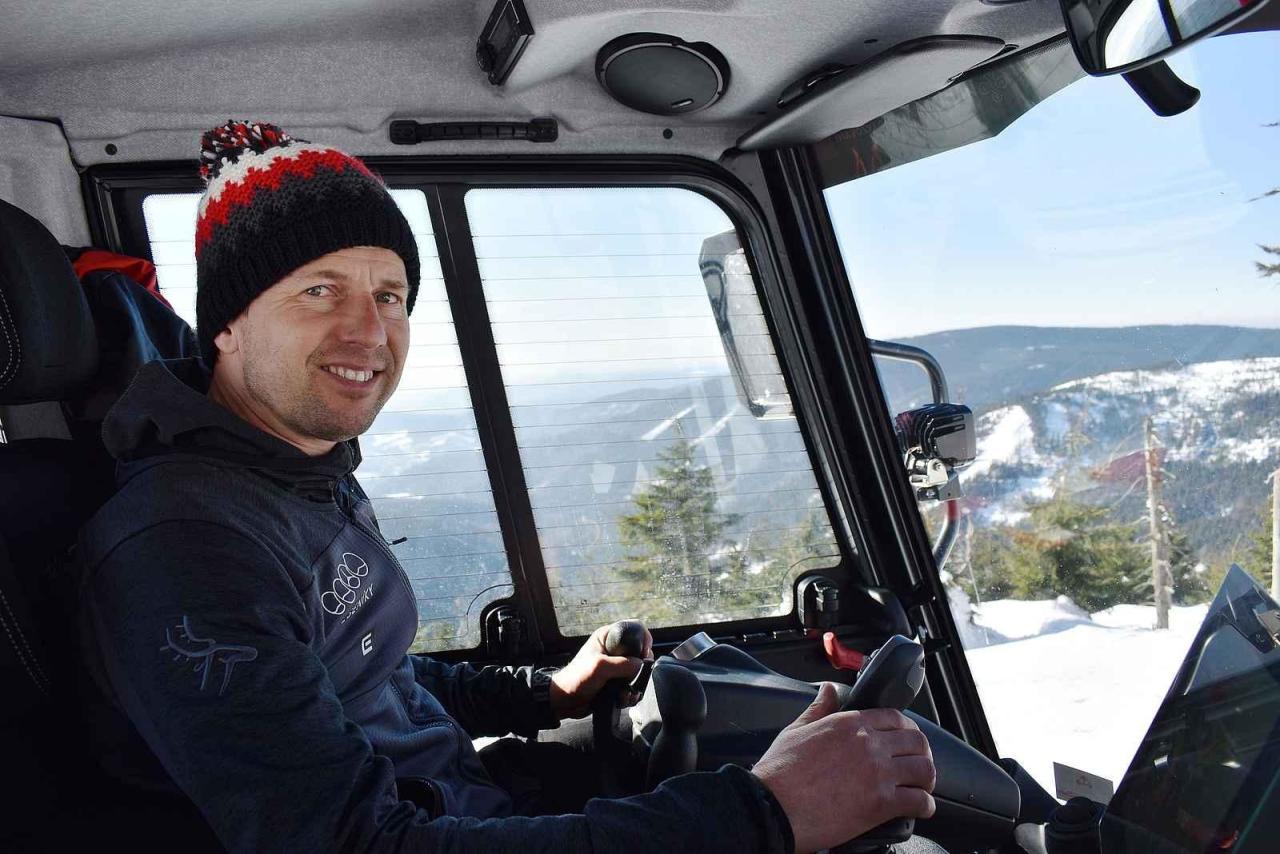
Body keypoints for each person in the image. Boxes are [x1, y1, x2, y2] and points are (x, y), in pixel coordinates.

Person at [75, 121, 936, 854]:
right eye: (319, 290)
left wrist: (544, 691)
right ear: (227, 322)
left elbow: (367, 682)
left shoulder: (294, 472)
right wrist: (765, 815)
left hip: (470, 799)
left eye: (391, 294)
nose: (369, 331)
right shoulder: (185, 545)